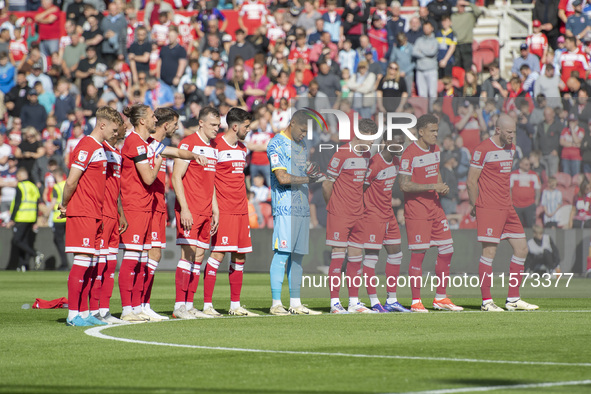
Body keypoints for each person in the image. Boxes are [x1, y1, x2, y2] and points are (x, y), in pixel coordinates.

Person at [467, 114, 539, 312]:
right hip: (489, 207)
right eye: (509, 132)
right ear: (498, 130)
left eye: (514, 132)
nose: (512, 135)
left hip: (507, 207)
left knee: (522, 249)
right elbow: (471, 181)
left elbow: (504, 179)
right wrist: (475, 205)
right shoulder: (482, 150)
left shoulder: (512, 148)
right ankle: (486, 301)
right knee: (489, 253)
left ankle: (513, 299)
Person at [60, 106, 123, 326]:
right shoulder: (86, 146)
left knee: (92, 264)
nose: (116, 133)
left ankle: (85, 313)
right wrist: (64, 204)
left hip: (96, 212)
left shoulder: (100, 148)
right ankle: (72, 314)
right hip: (83, 211)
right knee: (82, 262)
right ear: (102, 125)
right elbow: (71, 181)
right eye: (114, 129)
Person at [398, 114, 462, 313]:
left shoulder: (436, 148)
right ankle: (416, 301)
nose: (436, 134)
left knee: (447, 249)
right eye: (432, 131)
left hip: (435, 208)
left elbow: (436, 171)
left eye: (437, 130)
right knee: (418, 254)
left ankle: (440, 297)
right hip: (417, 211)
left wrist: (440, 185)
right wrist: (431, 185)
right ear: (421, 132)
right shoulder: (409, 154)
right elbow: (404, 184)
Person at [267, 110, 323, 316]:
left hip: (302, 206)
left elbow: (302, 169)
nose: (304, 134)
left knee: (298, 257)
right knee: (282, 253)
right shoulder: (276, 144)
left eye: (307, 131)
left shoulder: (302, 145)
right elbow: (282, 177)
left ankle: (296, 303)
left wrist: (313, 170)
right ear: (292, 124)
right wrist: (309, 179)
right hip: (285, 207)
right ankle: (275, 303)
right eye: (302, 130)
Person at [203, 108, 258, 317]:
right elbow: (210, 181)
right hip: (223, 210)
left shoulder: (243, 148)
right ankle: (207, 305)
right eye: (246, 126)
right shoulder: (215, 145)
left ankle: (235, 306)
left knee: (240, 255)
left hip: (241, 210)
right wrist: (215, 208)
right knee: (217, 253)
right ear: (235, 126)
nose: (248, 130)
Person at [323, 118, 378, 314]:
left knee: (356, 258)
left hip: (358, 214)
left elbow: (362, 186)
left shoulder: (366, 155)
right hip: (340, 213)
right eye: (370, 139)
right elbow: (327, 184)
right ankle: (334, 303)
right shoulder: (341, 154)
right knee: (338, 257)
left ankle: (354, 302)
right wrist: (333, 205)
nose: (372, 143)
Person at [172, 107, 220, 319]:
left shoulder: (213, 148)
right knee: (187, 254)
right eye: (213, 125)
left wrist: (215, 209)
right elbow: (176, 177)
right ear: (201, 123)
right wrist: (184, 208)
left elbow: (210, 183)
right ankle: (178, 306)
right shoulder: (188, 144)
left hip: (206, 210)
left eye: (218, 125)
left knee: (199, 255)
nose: (216, 129)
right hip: (190, 209)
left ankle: (190, 305)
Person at [118, 104, 163, 322]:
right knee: (132, 258)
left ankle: (137, 307)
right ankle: (127, 310)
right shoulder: (134, 142)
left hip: (145, 206)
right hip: (134, 206)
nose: (156, 119)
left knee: (141, 260)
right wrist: (159, 163)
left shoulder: (143, 143)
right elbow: (148, 178)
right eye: (153, 116)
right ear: (143, 121)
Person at [360, 132, 410, 313]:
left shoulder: (397, 162)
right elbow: (361, 190)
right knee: (372, 258)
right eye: (397, 143)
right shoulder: (374, 164)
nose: (401, 147)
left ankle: (392, 300)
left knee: (396, 254)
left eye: (402, 144)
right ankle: (374, 302)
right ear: (386, 142)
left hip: (389, 215)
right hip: (372, 216)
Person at [89, 120, 127, 324]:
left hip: (114, 214)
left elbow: (116, 188)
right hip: (101, 213)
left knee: (110, 265)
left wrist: (121, 212)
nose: (124, 130)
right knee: (99, 265)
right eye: (122, 127)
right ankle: (94, 309)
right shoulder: (100, 149)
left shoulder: (116, 153)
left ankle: (105, 309)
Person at [7, 167, 42, 272]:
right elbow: (36, 205)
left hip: (21, 217)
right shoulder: (33, 187)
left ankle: (35, 254)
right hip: (31, 217)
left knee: (16, 240)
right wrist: (35, 220)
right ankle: (23, 265)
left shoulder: (21, 186)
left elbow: (17, 203)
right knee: (25, 241)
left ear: (20, 175)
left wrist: (12, 219)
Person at [510, 157, 541, 228]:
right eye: (526, 164)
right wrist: (510, 201)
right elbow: (509, 189)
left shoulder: (534, 175)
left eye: (529, 164)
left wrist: (536, 202)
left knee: (530, 226)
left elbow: (538, 189)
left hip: (529, 204)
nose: (528, 166)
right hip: (516, 204)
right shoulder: (513, 174)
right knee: (517, 226)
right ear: (521, 164)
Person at [50, 168, 68, 271]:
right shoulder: (67, 184)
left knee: (59, 241)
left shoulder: (56, 187)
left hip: (58, 218)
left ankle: (64, 264)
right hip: (68, 217)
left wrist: (45, 214)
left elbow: (53, 203)